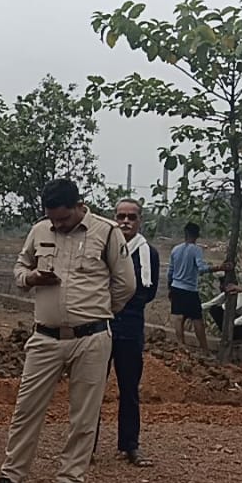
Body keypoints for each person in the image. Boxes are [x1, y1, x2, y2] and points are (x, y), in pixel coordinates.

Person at [0, 179, 135, 483]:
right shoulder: (40, 230)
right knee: (26, 409)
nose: (58, 224)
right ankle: (12, 477)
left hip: (91, 339)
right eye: (53, 219)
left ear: (79, 205)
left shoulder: (107, 232)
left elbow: (125, 284)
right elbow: (20, 267)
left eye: (63, 218)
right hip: (45, 337)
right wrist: (31, 278)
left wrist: (97, 311)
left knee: (84, 415)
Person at [98, 198, 159, 467]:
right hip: (101, 325)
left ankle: (129, 445)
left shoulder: (148, 254)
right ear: (114, 218)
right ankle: (85, 447)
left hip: (131, 329)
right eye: (121, 216)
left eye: (131, 217)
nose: (125, 222)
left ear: (139, 221)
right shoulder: (102, 248)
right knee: (93, 390)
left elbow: (149, 292)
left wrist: (121, 304)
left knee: (129, 389)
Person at [167, 222, 230, 351]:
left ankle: (181, 346)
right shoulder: (196, 250)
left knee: (179, 317)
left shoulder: (175, 249)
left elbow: (170, 271)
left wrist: (170, 287)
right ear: (197, 235)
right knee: (197, 319)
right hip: (190, 289)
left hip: (176, 287)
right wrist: (219, 267)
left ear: (185, 233)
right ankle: (204, 349)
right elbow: (201, 268)